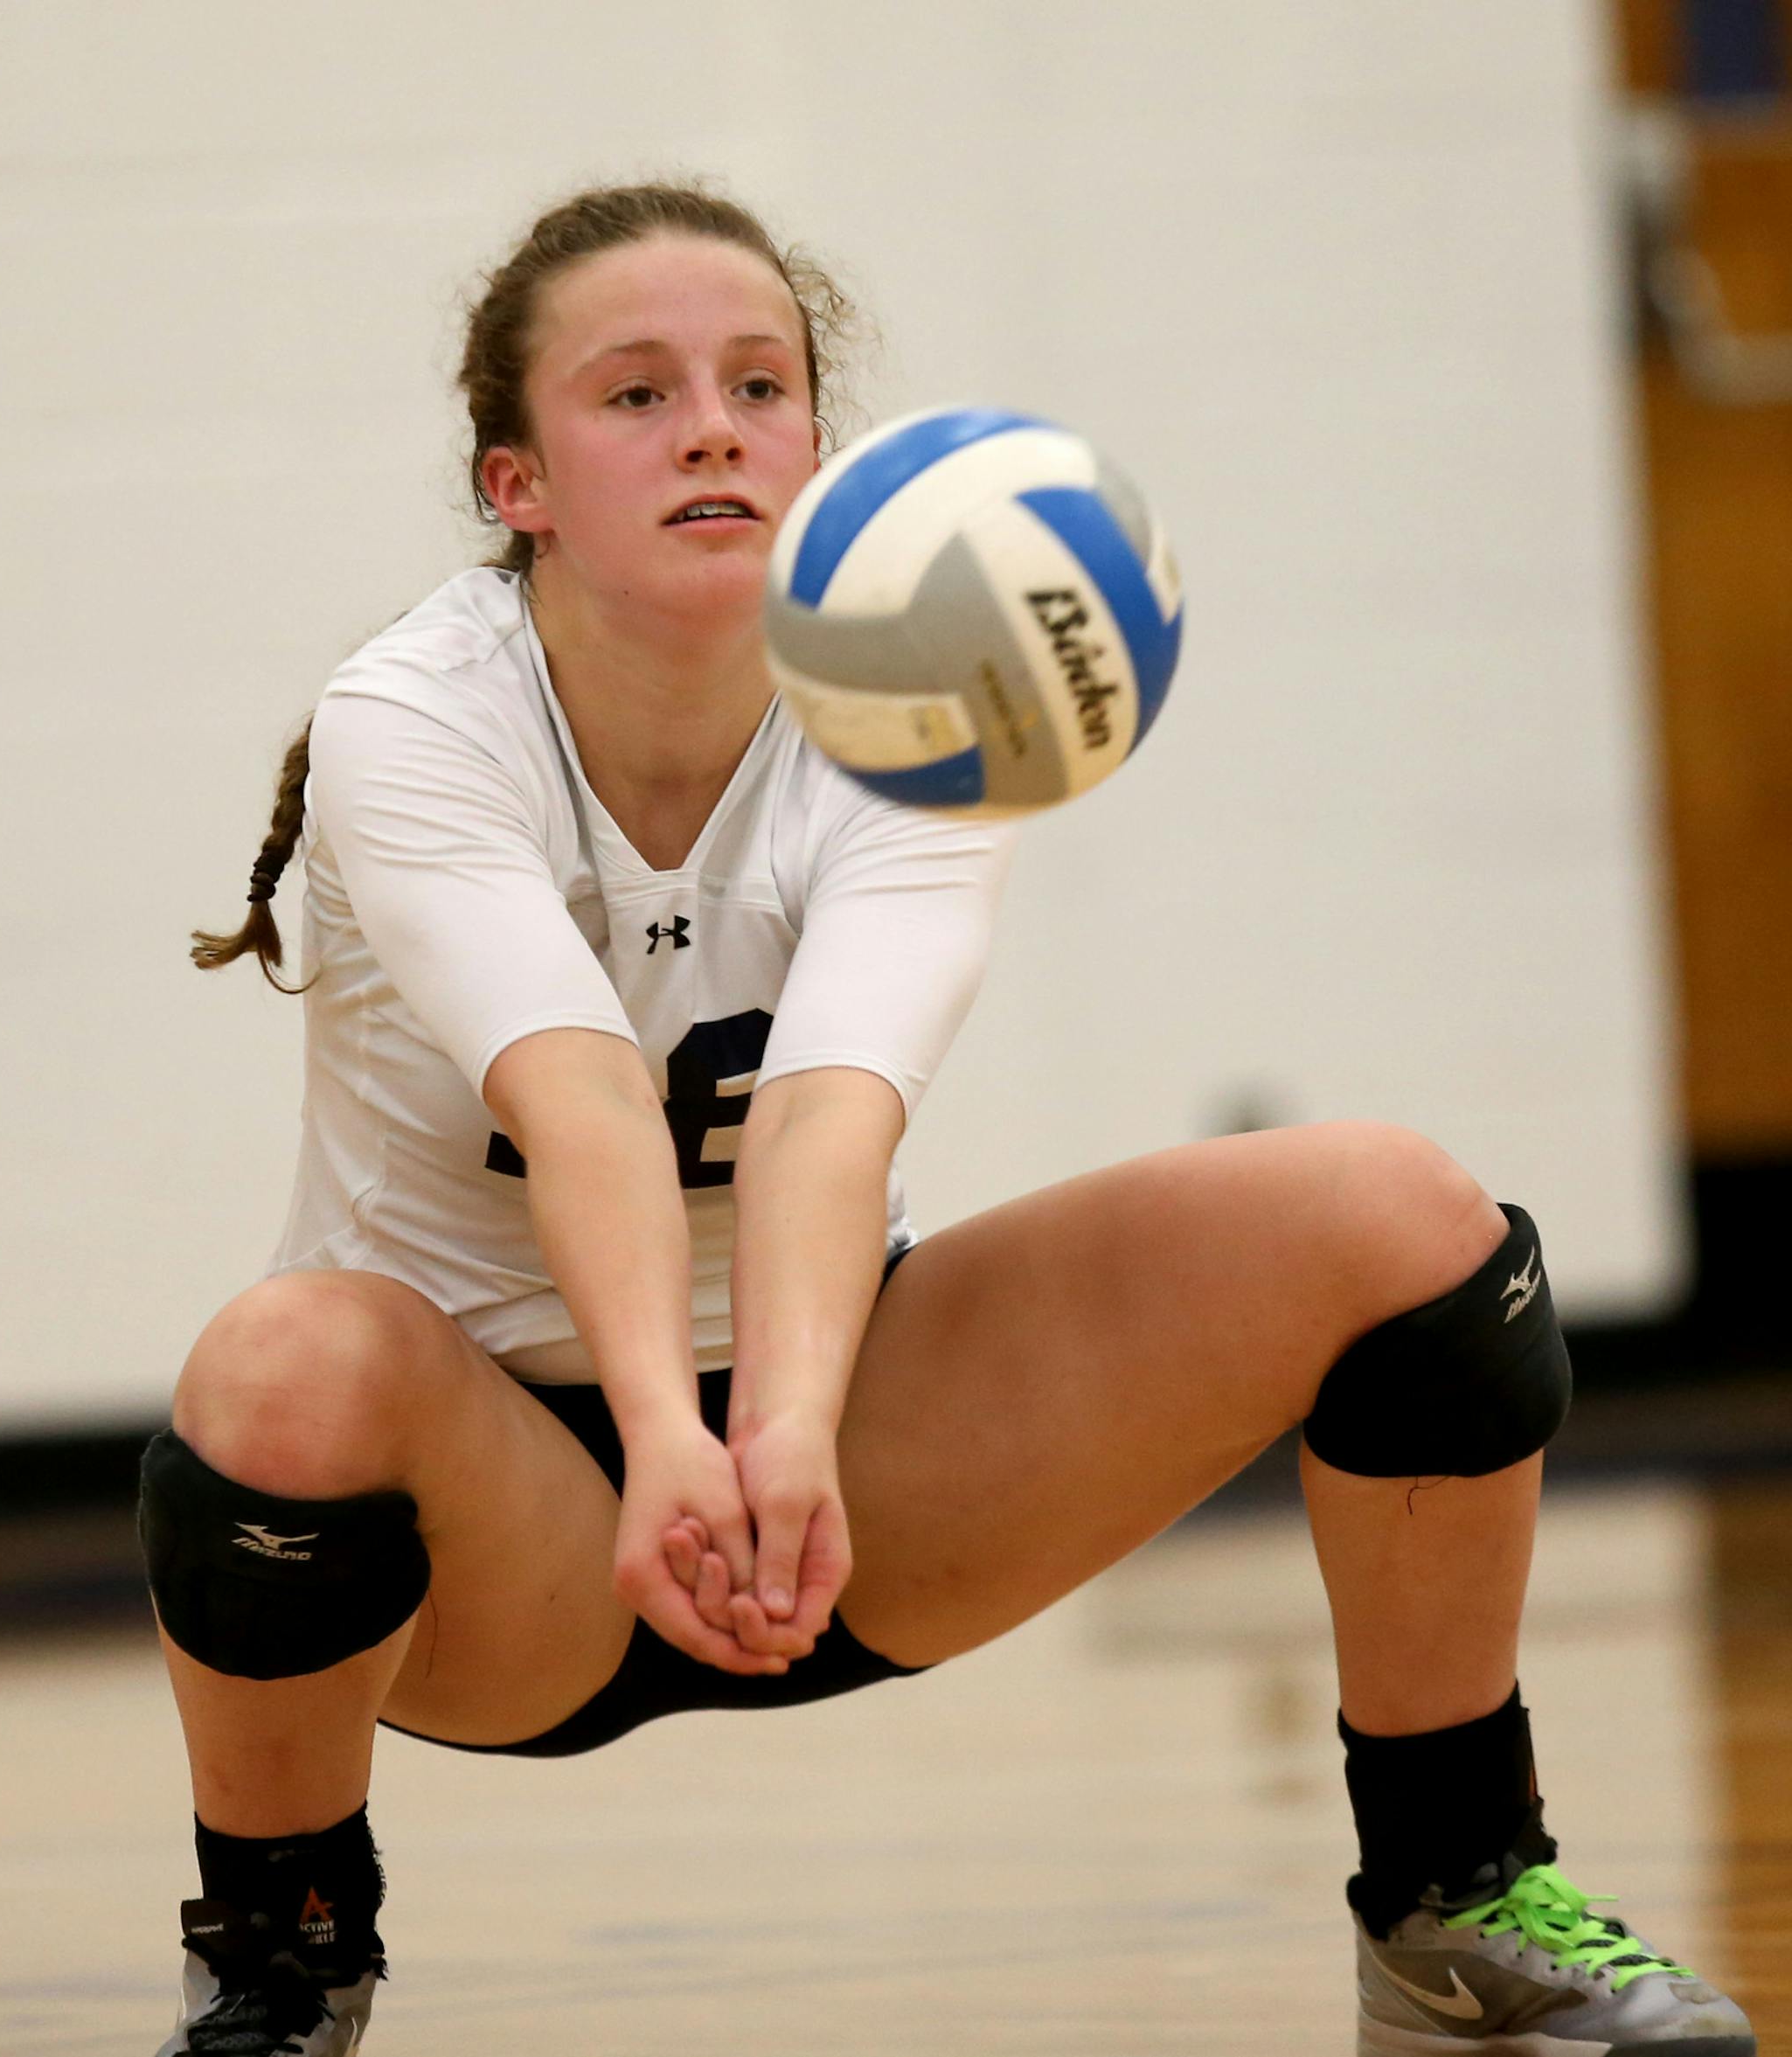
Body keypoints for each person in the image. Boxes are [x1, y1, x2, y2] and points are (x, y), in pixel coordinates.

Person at [144, 181, 1754, 2057]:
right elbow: (579, 1094)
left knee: (1404, 1218)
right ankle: (283, 1961)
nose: (715, 426)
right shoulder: (411, 717)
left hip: (855, 1453)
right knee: (281, 1367)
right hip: (498, 1524)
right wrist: (665, 1434)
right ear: (518, 484)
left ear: (823, 451)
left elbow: (834, 1109)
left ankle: (1453, 1895)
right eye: (637, 394)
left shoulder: (925, 690)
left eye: (761, 384)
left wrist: (788, 1428)